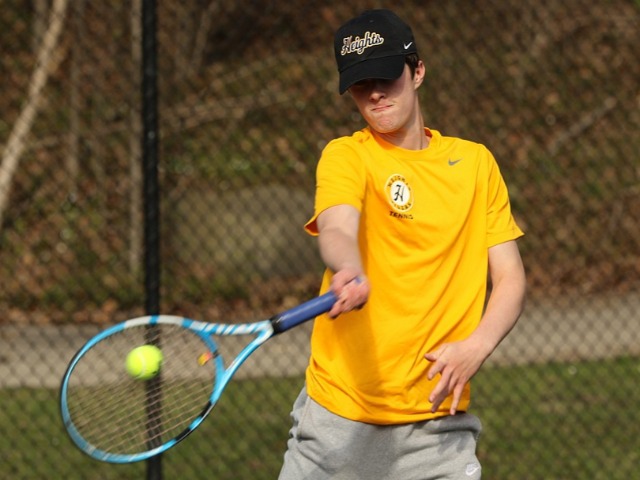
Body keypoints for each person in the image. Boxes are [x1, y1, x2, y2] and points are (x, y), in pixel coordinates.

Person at [279, 9, 526, 480]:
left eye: (386, 76)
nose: (374, 93)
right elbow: (337, 225)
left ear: (417, 71)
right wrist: (348, 267)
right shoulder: (347, 155)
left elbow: (510, 277)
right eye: (360, 84)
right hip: (337, 423)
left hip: (437, 429)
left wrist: (477, 346)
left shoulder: (475, 164)